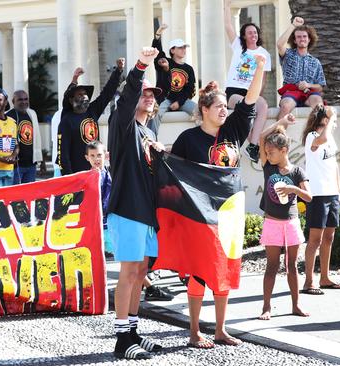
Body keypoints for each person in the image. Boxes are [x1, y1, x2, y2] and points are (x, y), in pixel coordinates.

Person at [170, 55, 266, 348]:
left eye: (226, 106)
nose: (225, 110)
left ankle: (221, 330)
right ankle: (195, 331)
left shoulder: (234, 131)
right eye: (219, 106)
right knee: (200, 270)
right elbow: (174, 171)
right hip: (200, 214)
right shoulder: (188, 138)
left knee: (225, 267)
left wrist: (260, 67)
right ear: (204, 110)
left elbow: (250, 100)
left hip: (230, 210)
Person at [108, 47, 164, 360]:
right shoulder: (123, 123)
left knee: (140, 272)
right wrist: (142, 65)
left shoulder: (147, 130)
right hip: (127, 209)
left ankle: (132, 332)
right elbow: (129, 94)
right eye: (144, 93)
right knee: (128, 273)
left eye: (152, 95)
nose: (148, 96)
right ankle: (120, 340)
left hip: (145, 212)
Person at [257, 114, 312, 320]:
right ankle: (266, 307)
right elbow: (262, 137)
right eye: (267, 152)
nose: (268, 155)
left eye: (272, 153)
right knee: (271, 267)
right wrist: (281, 123)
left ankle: (296, 305)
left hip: (291, 223)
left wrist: (292, 189)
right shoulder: (268, 167)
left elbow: (309, 196)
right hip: (272, 222)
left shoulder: (297, 172)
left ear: (284, 151)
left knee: (291, 267)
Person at [301, 104, 340, 295]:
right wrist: (330, 117)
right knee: (315, 239)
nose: (334, 124)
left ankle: (325, 278)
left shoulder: (329, 138)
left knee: (329, 236)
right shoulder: (312, 137)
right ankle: (309, 281)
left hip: (331, 193)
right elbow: (323, 137)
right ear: (324, 121)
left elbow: (334, 166)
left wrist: (338, 190)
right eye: (332, 121)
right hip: (317, 194)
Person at [223, 0, 272, 162]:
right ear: (244, 36)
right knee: (245, 107)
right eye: (250, 32)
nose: (253, 35)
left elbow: (263, 80)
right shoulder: (238, 46)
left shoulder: (264, 53)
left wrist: (258, 94)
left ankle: (252, 146)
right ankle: (252, 142)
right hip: (234, 90)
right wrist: (227, 6)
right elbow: (228, 26)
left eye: (255, 32)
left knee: (263, 105)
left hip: (252, 91)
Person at [57, 59, 124, 175]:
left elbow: (107, 93)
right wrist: (69, 179)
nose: (84, 97)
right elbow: (63, 155)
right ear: (71, 100)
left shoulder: (92, 110)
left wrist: (118, 71)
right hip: (77, 175)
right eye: (80, 94)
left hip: (96, 172)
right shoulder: (66, 120)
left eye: (85, 94)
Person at [276, 17, 326, 119]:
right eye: (298, 37)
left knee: (319, 105)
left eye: (304, 36)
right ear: (294, 40)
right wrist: (293, 25)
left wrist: (308, 84)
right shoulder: (288, 54)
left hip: (309, 94)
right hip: (291, 93)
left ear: (309, 39)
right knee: (285, 106)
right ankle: (277, 133)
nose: (302, 39)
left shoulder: (315, 62)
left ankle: (319, 134)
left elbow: (320, 86)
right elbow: (279, 44)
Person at [152, 24, 197, 120]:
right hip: (165, 100)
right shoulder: (165, 62)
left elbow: (190, 90)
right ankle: (151, 135)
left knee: (201, 112)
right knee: (155, 114)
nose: (183, 50)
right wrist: (158, 35)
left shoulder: (189, 69)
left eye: (184, 47)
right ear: (172, 50)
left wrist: (179, 102)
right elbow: (157, 53)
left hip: (182, 101)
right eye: (180, 47)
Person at [6, 90, 44, 184]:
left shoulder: (32, 114)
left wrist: (41, 160)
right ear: (13, 101)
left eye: (26, 99)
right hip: (15, 166)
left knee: (29, 196)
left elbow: (37, 138)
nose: (24, 102)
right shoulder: (7, 116)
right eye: (20, 100)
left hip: (31, 164)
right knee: (15, 196)